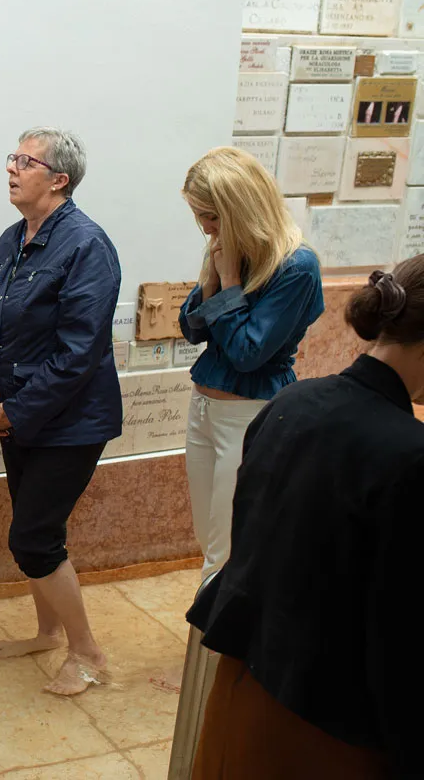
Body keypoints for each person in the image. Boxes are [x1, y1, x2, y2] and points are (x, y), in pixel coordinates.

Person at [186, 257, 424, 778]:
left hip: (243, 689)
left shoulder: (293, 401)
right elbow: (396, 633)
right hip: (327, 724)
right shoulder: (410, 454)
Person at [0, 128, 123, 696]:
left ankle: (88, 655)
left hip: (70, 423)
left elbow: (78, 352)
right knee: (36, 531)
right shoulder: (11, 240)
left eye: (25, 161)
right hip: (19, 415)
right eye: (11, 157)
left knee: (34, 539)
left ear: (59, 179)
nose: (11, 168)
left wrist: (15, 411)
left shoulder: (87, 246)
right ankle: (47, 632)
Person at [178, 146, 324, 583]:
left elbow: (246, 353)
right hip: (203, 408)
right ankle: (219, 647)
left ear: (240, 207)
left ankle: (213, 650)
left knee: (226, 546)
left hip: (249, 413)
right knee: (209, 538)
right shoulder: (229, 251)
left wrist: (230, 283)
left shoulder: (297, 266)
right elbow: (191, 330)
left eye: (212, 216)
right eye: (200, 216)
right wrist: (212, 280)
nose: (206, 229)